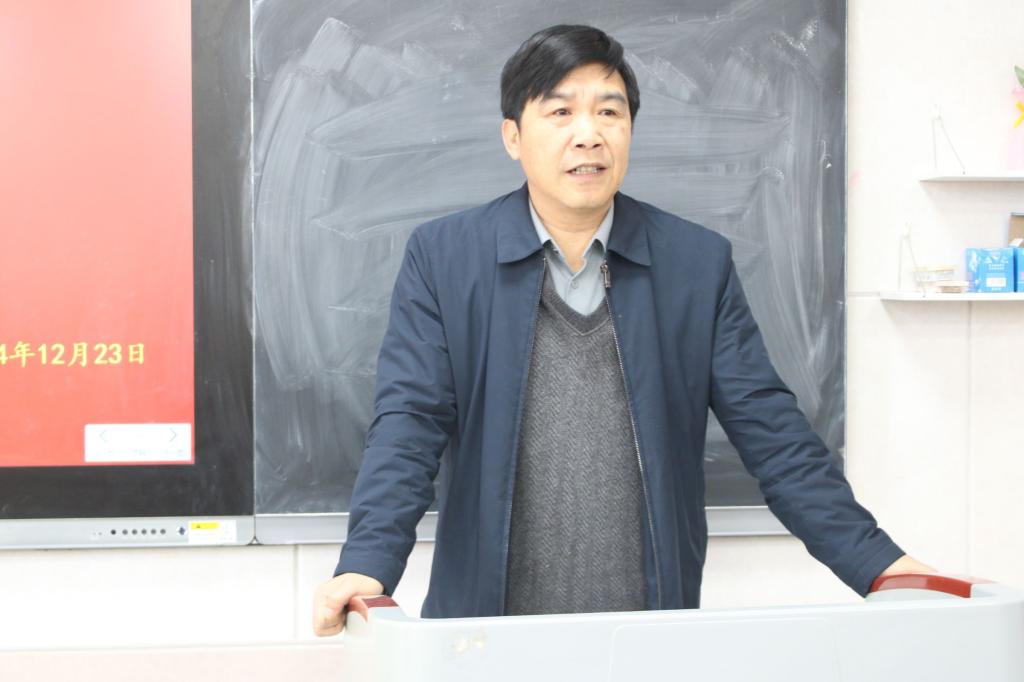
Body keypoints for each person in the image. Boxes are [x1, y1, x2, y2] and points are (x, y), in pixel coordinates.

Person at [313, 24, 935, 636]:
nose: (589, 134)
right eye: (561, 112)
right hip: (484, 640)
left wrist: (880, 566)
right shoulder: (444, 258)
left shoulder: (696, 264)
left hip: (649, 638)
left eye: (609, 112)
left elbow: (774, 435)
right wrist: (367, 565)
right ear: (513, 136)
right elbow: (408, 425)